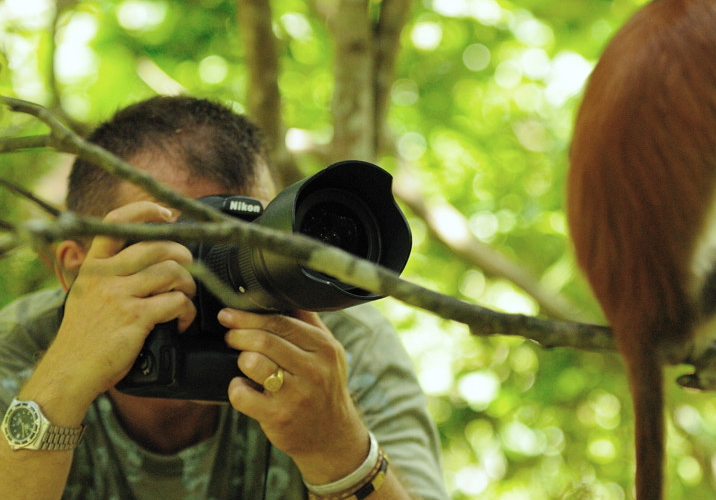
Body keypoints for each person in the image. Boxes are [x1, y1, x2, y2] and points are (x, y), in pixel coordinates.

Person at [0, 96, 448, 500]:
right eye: (181, 243)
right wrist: (58, 386)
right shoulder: (19, 345)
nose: (215, 278)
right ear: (76, 268)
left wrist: (338, 450)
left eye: (249, 245)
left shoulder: (333, 345)